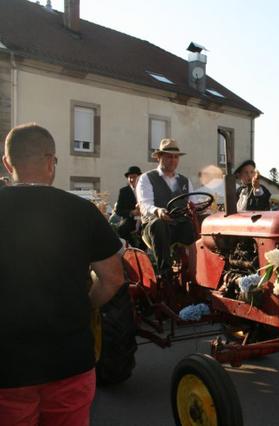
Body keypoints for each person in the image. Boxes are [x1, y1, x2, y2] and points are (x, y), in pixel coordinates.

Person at [0, 123, 124, 424]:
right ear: (50, 162)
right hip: (70, 360)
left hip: (7, 366)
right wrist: (88, 305)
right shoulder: (83, 211)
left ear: (7, 163)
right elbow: (113, 278)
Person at [136, 138, 196, 277]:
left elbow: (194, 203)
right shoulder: (147, 178)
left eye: (176, 157)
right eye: (169, 156)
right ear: (159, 157)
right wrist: (157, 210)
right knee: (159, 224)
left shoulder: (184, 180)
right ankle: (165, 273)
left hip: (180, 224)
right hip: (154, 228)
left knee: (197, 228)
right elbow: (145, 204)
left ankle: (197, 272)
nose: (173, 160)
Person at [115, 166, 142, 246]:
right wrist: (132, 212)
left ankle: (143, 251)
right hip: (131, 219)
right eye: (130, 177)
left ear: (139, 177)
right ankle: (132, 247)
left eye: (134, 177)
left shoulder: (146, 189)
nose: (132, 179)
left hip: (144, 218)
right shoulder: (124, 191)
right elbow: (119, 210)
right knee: (122, 229)